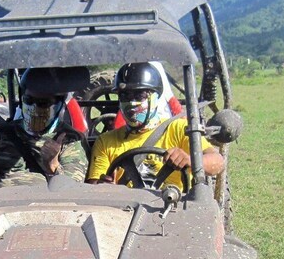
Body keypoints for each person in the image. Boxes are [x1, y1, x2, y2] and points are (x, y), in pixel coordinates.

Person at [0, 67, 88, 189]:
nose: (34, 108)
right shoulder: (2, 134)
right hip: (0, 212)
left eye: (43, 103)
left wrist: (52, 165)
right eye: (29, 101)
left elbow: (72, 194)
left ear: (59, 105)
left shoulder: (70, 140)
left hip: (48, 214)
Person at [86, 62, 224, 188]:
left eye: (139, 95)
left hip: (173, 209)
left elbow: (217, 162)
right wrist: (103, 187)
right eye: (125, 96)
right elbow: (94, 188)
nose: (132, 103)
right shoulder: (105, 141)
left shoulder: (178, 129)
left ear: (156, 97)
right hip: (122, 212)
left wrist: (190, 160)